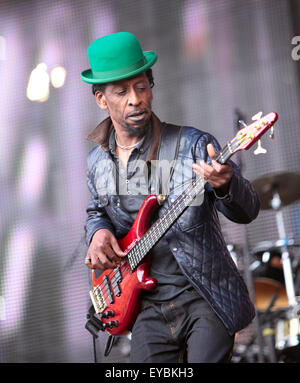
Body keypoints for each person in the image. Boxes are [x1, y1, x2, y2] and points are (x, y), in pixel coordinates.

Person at [81, 32, 260, 363]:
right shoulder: (96, 164)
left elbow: (248, 209)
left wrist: (225, 184)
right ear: (101, 100)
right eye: (121, 92)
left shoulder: (192, 145)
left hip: (205, 296)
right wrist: (97, 233)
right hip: (147, 306)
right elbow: (96, 212)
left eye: (142, 87)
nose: (136, 99)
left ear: (151, 87)